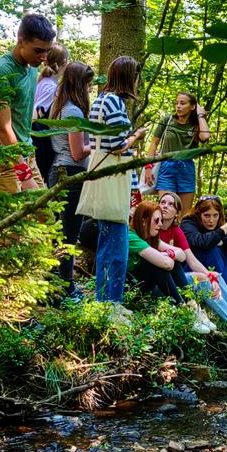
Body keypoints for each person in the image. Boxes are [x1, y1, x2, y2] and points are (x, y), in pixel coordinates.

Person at [84, 56, 147, 319]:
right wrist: (138, 135)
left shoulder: (101, 99)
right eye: (135, 76)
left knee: (108, 242)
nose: (137, 81)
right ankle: (111, 305)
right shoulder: (114, 102)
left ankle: (105, 302)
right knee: (117, 246)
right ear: (127, 77)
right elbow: (118, 146)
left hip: (105, 176)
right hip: (115, 178)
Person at [157, 192, 227, 337]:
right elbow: (194, 247)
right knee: (207, 267)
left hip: (178, 276)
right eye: (163, 203)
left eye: (171, 204)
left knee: (213, 275)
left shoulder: (176, 231)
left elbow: (191, 259)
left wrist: (211, 276)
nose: (165, 206)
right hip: (161, 282)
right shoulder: (154, 228)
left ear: (177, 213)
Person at [0, 14, 56, 192]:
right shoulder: (3, 71)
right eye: (38, 50)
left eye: (47, 51)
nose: (44, 57)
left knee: (44, 215)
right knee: (11, 217)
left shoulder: (31, 70)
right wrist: (24, 174)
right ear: (21, 41)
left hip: (27, 154)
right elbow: (2, 130)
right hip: (3, 159)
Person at [127, 200, 213, 334]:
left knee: (169, 262)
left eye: (161, 220)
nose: (160, 225)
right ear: (144, 220)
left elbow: (182, 255)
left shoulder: (151, 237)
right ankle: (183, 309)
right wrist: (167, 257)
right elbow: (166, 264)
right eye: (156, 220)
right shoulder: (131, 236)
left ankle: (192, 306)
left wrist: (167, 254)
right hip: (129, 289)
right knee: (155, 265)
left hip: (147, 287)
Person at [48, 61, 93, 298]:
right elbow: (77, 152)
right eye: (87, 84)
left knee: (62, 233)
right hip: (70, 172)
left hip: (62, 172)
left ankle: (60, 284)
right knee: (68, 235)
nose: (89, 89)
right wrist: (96, 142)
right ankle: (65, 288)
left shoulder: (63, 107)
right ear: (80, 84)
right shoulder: (73, 111)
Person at [145, 91, 211, 211]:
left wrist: (201, 116)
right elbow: (154, 143)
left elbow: (205, 137)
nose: (178, 106)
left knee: (184, 214)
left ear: (192, 106)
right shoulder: (167, 120)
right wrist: (148, 167)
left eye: (182, 103)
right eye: (177, 103)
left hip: (187, 168)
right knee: (165, 209)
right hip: (167, 167)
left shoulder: (196, 125)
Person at [181, 196, 227, 296]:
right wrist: (223, 230)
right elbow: (199, 242)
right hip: (191, 268)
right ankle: (224, 294)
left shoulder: (217, 225)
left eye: (215, 215)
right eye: (207, 216)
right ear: (199, 214)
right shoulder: (188, 223)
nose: (211, 220)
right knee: (213, 249)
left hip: (211, 266)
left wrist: (221, 242)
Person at [31, 43, 69, 186]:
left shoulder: (44, 82)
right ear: (64, 63)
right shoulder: (50, 87)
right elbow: (35, 114)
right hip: (39, 142)